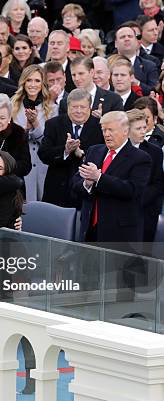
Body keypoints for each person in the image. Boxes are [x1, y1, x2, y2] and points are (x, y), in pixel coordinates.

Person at [73, 111, 152, 243]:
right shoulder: (94, 151)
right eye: (104, 130)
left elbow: (132, 190)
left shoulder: (141, 158)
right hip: (90, 229)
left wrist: (99, 178)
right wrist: (87, 183)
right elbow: (76, 182)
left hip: (119, 233)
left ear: (125, 131)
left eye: (111, 130)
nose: (106, 134)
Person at [39, 88, 104, 208]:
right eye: (74, 107)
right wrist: (65, 150)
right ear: (68, 107)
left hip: (86, 192)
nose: (78, 111)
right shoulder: (53, 124)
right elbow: (43, 154)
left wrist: (83, 155)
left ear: (90, 107)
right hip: (57, 191)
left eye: (82, 107)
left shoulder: (100, 127)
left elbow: (104, 158)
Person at [10, 65, 58, 201]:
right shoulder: (12, 105)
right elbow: (11, 140)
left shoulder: (52, 108)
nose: (33, 85)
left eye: (37, 81)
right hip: (21, 165)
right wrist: (25, 129)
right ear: (23, 82)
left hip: (44, 166)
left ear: (42, 83)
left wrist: (36, 124)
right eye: (29, 80)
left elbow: (50, 142)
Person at [126, 109, 164, 242]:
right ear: (127, 130)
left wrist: (137, 201)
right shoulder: (114, 150)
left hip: (144, 213)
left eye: (144, 127)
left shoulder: (155, 152)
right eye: (138, 128)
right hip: (118, 213)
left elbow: (158, 184)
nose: (143, 131)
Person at [114, 25, 158, 95]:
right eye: (122, 37)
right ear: (115, 43)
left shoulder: (149, 66)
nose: (126, 39)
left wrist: (137, 83)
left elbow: (154, 91)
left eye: (130, 36)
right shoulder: (107, 64)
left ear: (137, 41)